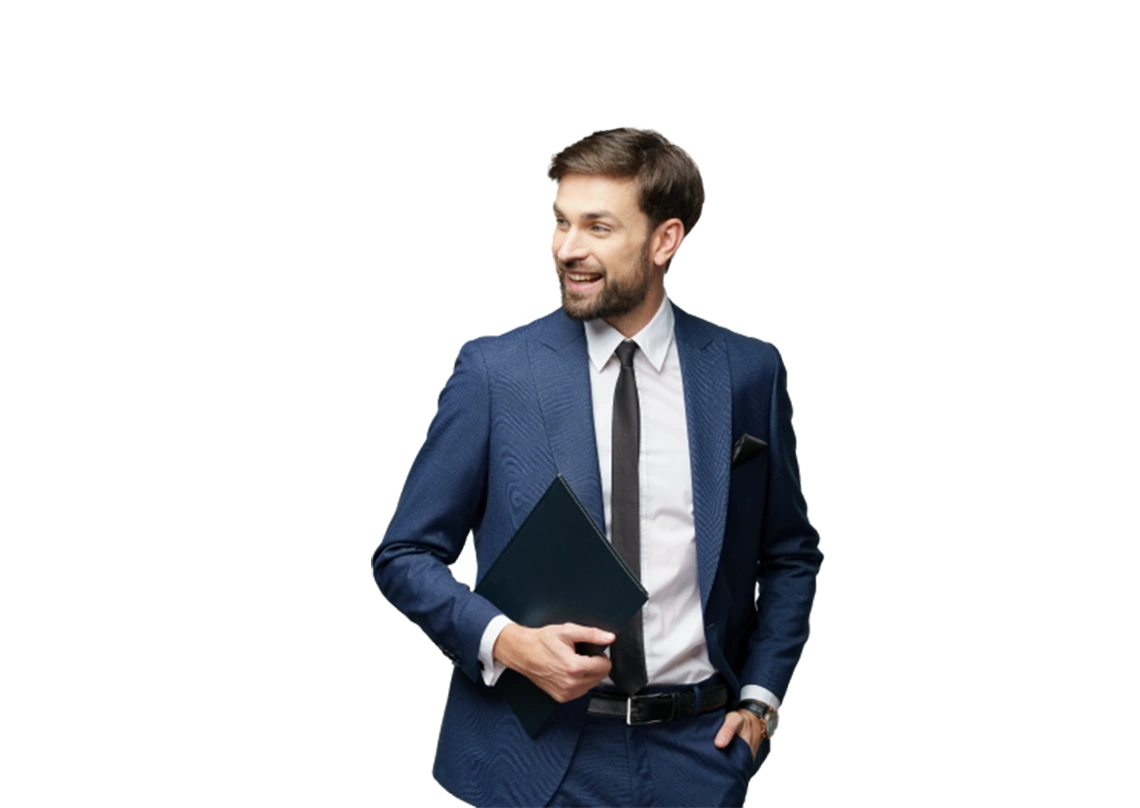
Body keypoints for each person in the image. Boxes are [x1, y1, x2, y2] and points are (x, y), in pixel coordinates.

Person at [370, 125, 823, 807]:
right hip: (534, 763)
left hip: (698, 758)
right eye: (559, 223)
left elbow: (789, 554)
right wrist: (506, 643)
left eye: (597, 227)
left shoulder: (743, 375)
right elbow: (401, 555)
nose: (566, 249)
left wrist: (759, 701)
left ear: (664, 240)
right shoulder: (498, 375)